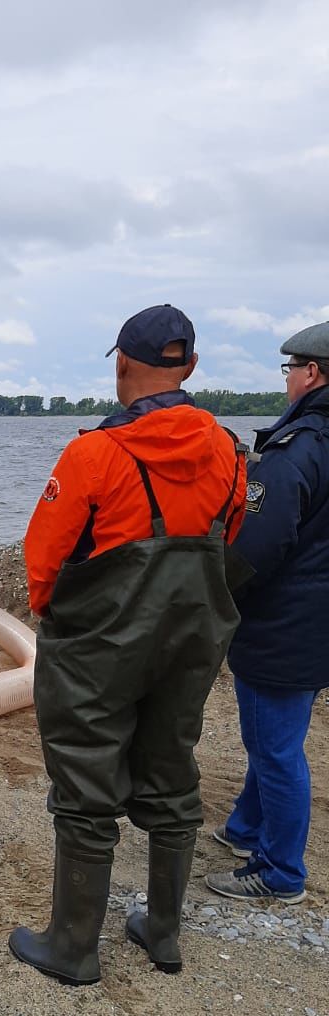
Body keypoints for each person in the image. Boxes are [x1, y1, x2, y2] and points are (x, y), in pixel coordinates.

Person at [8, 304, 247, 985]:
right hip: (191, 638)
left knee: (85, 776)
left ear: (121, 364)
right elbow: (227, 539)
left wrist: (59, 619)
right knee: (172, 769)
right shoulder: (231, 450)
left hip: (100, 645)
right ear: (191, 367)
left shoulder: (94, 453)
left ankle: (75, 947)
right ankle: (163, 932)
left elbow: (44, 558)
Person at [206, 322, 329, 906]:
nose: (286, 381)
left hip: (285, 620)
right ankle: (245, 829)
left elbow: (259, 543)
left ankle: (280, 872)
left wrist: (218, 594)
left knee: (275, 747)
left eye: (290, 370)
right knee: (275, 737)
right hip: (316, 620)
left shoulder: (298, 447)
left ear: (312, 373)